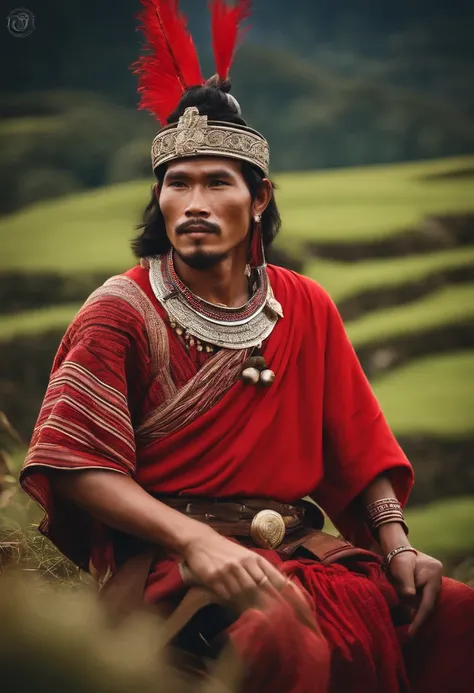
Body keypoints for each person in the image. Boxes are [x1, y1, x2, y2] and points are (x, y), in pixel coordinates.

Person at [20, 2, 474, 692]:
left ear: (258, 199)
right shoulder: (119, 311)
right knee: (278, 643)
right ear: (159, 198)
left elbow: (358, 446)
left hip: (302, 552)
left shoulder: (306, 305)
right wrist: (194, 538)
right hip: (173, 564)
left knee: (459, 619)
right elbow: (77, 462)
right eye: (178, 182)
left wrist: (398, 544)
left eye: (216, 182)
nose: (194, 201)